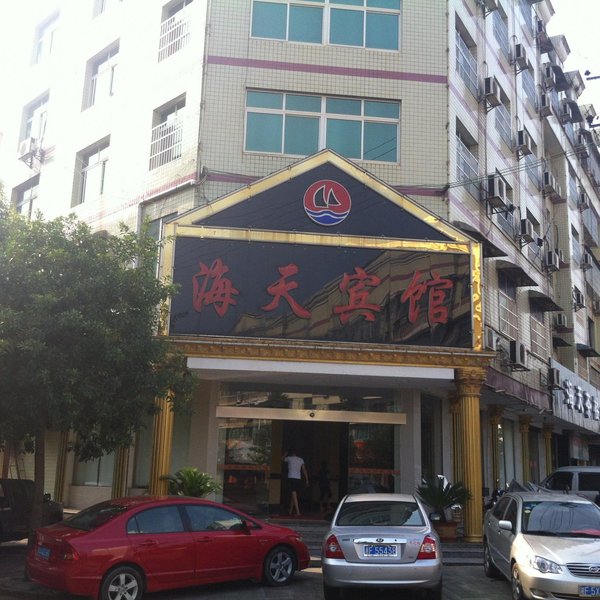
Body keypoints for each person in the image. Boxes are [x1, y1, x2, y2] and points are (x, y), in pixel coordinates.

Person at [283, 448, 309, 516]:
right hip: (298, 478)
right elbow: (304, 470)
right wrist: (307, 480)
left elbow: (282, 459)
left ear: (290, 453)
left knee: (294, 494)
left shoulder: (289, 458)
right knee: (294, 495)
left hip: (291, 478)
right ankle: (290, 511)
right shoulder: (301, 459)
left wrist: (285, 454)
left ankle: (298, 512)